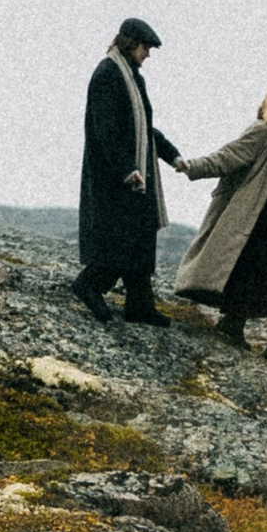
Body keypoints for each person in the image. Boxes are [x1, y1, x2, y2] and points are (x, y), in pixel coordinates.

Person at [172, 83, 267, 356]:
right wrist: (192, 166)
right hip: (257, 214)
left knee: (250, 269)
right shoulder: (261, 131)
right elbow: (228, 157)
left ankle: (235, 324)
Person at [72, 19, 186, 324]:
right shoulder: (107, 74)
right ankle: (88, 285)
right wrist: (127, 169)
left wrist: (172, 155)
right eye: (145, 47)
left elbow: (145, 129)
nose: (147, 54)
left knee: (140, 238)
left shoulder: (134, 78)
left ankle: (140, 305)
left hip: (135, 173)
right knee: (119, 240)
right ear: (130, 43)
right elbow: (106, 130)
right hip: (114, 176)